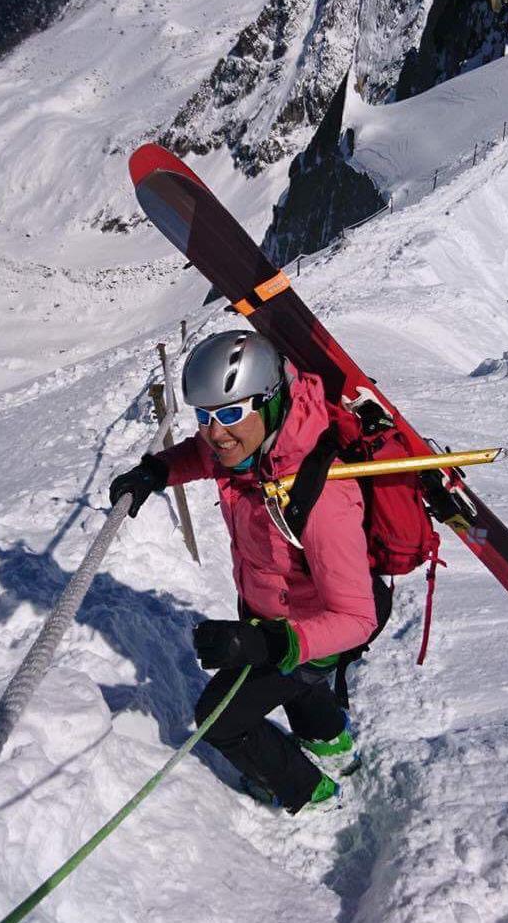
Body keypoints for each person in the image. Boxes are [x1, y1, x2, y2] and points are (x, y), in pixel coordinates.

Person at [109, 330, 387, 815]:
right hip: (276, 611)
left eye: (233, 412)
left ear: (274, 402)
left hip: (313, 631)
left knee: (218, 718)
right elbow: (202, 453)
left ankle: (310, 792)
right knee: (300, 685)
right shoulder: (249, 451)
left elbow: (356, 619)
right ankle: (334, 751)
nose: (217, 432)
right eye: (206, 415)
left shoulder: (323, 496)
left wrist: (272, 645)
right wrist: (157, 472)